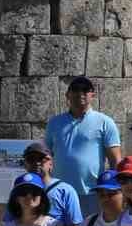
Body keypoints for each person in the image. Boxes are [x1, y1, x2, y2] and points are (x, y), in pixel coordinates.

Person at [46, 76, 123, 217]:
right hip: (58, 191)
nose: (80, 93)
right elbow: (47, 156)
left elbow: (115, 161)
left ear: (92, 95)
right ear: (67, 95)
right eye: (75, 89)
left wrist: (115, 192)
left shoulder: (105, 122)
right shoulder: (54, 123)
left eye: (85, 90)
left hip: (91, 193)